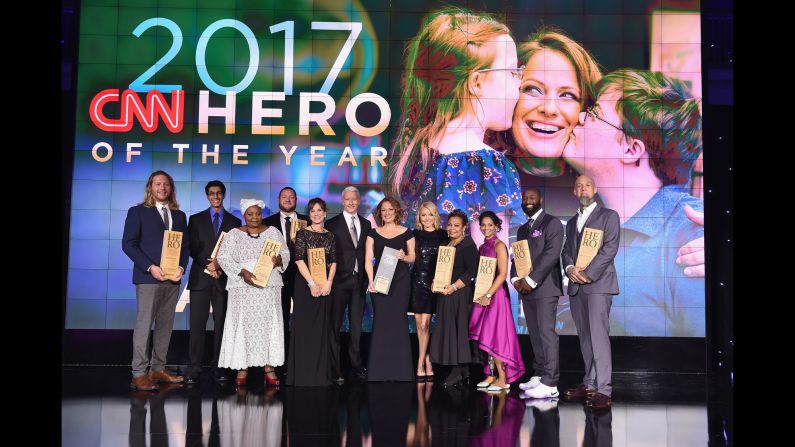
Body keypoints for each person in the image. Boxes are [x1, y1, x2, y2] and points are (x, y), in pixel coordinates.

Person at [563, 69, 705, 336]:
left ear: (631, 149)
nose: (580, 117)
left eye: (593, 114)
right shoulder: (590, 224)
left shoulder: (692, 234)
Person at [387, 8, 524, 244]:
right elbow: (489, 255)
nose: (518, 85)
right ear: (477, 81)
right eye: (513, 72)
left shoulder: (416, 151)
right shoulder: (484, 164)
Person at [122, 170, 188, 390]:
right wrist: (151, 267)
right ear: (150, 187)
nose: (162, 188)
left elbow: (184, 247)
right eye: (158, 184)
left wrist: (180, 267)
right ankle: (139, 373)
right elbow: (128, 244)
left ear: (171, 188)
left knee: (165, 326)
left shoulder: (179, 216)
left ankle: (158, 369)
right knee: (144, 326)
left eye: (166, 184)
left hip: (172, 279)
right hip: (148, 277)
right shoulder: (137, 212)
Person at [216, 198, 290, 387]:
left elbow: (286, 253)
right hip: (242, 288)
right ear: (244, 215)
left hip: (268, 287)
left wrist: (279, 260)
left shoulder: (273, 232)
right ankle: (242, 367)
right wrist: (242, 271)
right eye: (250, 214)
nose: (254, 217)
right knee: (244, 325)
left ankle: (269, 367)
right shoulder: (234, 234)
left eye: (257, 213)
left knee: (268, 325)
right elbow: (223, 257)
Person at [561, 175, 620, 411]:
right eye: (578, 186)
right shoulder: (572, 221)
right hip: (577, 285)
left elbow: (610, 248)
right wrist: (570, 268)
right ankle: (589, 383)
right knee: (585, 338)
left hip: (598, 284)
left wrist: (589, 273)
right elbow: (566, 251)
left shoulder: (609, 216)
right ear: (574, 192)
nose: (582, 189)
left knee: (598, 336)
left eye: (587, 185)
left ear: (594, 189)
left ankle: (604, 389)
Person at [185, 180, 242, 384]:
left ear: (224, 195)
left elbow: (236, 251)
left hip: (223, 280)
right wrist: (208, 264)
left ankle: (219, 367)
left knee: (222, 326)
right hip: (201, 279)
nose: (215, 196)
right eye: (211, 193)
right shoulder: (195, 219)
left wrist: (220, 267)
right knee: (197, 325)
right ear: (207, 196)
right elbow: (191, 247)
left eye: (219, 193)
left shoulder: (235, 222)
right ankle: (194, 367)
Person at [511, 187, 565, 399]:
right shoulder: (523, 229)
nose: (528, 201)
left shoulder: (551, 223)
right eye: (525, 198)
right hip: (527, 289)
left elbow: (551, 255)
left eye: (531, 197)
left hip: (545, 288)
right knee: (534, 333)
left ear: (540, 199)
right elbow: (518, 256)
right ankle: (540, 373)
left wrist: (531, 280)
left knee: (546, 333)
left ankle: (551, 382)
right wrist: (516, 279)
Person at [468, 211, 525, 391]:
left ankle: (503, 377)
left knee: (496, 336)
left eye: (489, 225)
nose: (486, 228)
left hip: (496, 295)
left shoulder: (499, 246)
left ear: (497, 226)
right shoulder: (482, 246)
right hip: (484, 293)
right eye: (483, 225)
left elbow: (502, 275)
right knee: (485, 334)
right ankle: (490, 374)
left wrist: (488, 294)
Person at [287, 197, 337, 386]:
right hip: (306, 287)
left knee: (321, 330)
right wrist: (311, 284)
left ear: (325, 212)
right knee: (305, 329)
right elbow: (299, 260)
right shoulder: (302, 233)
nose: (316, 214)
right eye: (312, 211)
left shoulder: (330, 235)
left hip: (324, 286)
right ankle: (302, 375)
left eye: (319, 210)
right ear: (310, 214)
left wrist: (328, 283)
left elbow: (334, 261)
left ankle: (319, 375)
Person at [364, 197, 416, 382]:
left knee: (398, 323)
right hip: (380, 282)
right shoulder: (373, 233)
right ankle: (378, 372)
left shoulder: (407, 233)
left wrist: (403, 256)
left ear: (396, 212)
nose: (386, 213)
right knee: (381, 323)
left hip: (401, 283)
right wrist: (370, 280)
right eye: (383, 210)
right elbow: (368, 259)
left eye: (390, 210)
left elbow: (412, 257)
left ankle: (401, 372)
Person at [429, 209, 480, 387]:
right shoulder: (447, 244)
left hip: (459, 294)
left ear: (464, 227)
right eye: (449, 225)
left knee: (458, 331)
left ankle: (457, 371)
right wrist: (436, 281)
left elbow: (472, 272)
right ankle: (463, 370)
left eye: (456, 225)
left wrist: (454, 286)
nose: (452, 228)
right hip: (445, 293)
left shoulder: (468, 245)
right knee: (450, 330)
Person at [326, 186, 371, 382]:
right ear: (342, 201)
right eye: (347, 199)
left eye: (354, 199)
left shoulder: (367, 224)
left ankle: (356, 365)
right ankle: (336, 368)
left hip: (359, 283)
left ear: (359, 201)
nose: (351, 202)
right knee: (334, 327)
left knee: (356, 327)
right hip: (337, 283)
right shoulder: (331, 224)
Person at [262, 187, 309, 342]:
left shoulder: (307, 221)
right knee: (278, 317)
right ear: (278, 200)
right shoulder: (267, 223)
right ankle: (280, 357)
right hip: (277, 277)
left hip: (302, 276)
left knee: (303, 316)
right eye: (284, 197)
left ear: (296, 200)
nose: (288, 200)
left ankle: (299, 355)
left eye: (291, 197)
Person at [410, 201, 448, 380]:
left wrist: (440, 281)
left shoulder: (443, 235)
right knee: (420, 325)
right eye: (423, 215)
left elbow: (448, 262)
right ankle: (425, 360)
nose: (427, 218)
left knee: (426, 325)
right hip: (417, 283)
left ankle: (422, 362)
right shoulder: (414, 234)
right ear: (419, 217)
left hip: (435, 284)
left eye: (430, 214)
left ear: (436, 216)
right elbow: (409, 257)